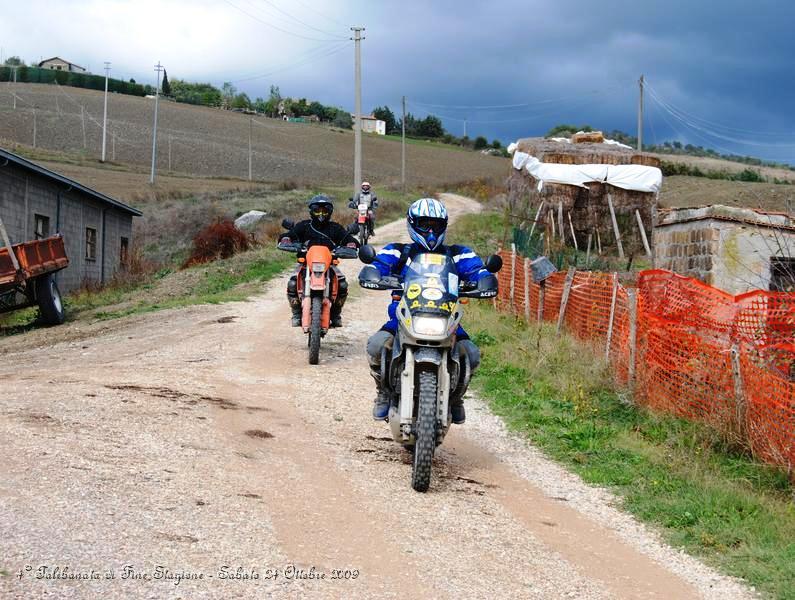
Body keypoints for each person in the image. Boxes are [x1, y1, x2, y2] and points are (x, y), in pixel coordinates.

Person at [364, 197, 491, 424]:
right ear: (413, 224)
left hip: (446, 318)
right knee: (376, 346)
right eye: (425, 224)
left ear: (444, 226)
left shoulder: (458, 254)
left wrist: (484, 279)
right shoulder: (398, 252)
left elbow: (477, 270)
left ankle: (456, 398)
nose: (431, 231)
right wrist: (372, 272)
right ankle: (383, 390)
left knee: (470, 353)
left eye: (436, 225)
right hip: (404, 318)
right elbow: (378, 264)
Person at [279, 195, 359, 328]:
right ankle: (297, 313)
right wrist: (286, 239)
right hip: (305, 264)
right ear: (311, 211)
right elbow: (288, 235)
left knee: (343, 285)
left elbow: (350, 239)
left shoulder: (335, 228)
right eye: (317, 210)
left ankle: (335, 314)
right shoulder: (304, 226)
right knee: (293, 282)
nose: (321, 214)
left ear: (330, 212)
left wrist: (351, 244)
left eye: (325, 211)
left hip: (329, 265)